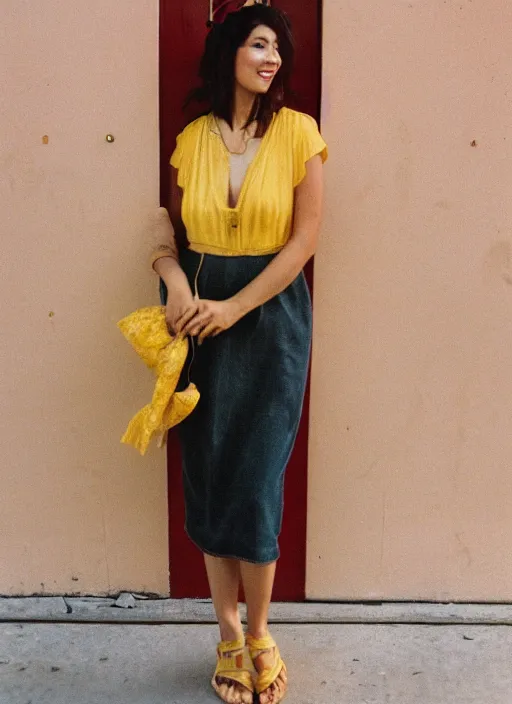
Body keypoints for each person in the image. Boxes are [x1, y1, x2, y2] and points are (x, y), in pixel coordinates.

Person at [150, 6, 327, 703]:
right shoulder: (190, 139)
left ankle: (260, 632)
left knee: (255, 479)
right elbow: (171, 241)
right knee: (210, 472)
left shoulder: (299, 134)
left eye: (278, 48)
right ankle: (226, 634)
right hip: (196, 321)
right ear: (228, 49)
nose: (272, 58)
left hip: (270, 318)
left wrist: (233, 305)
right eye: (259, 43)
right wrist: (172, 287)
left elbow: (303, 240)